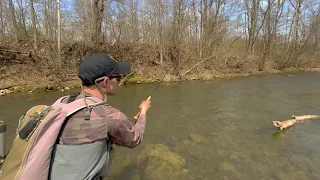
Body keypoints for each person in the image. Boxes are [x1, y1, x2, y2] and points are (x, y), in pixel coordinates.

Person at [48, 53, 151, 180]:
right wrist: (144, 112)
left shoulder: (62, 102)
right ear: (106, 82)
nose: (120, 82)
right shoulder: (109, 116)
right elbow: (135, 139)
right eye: (118, 79)